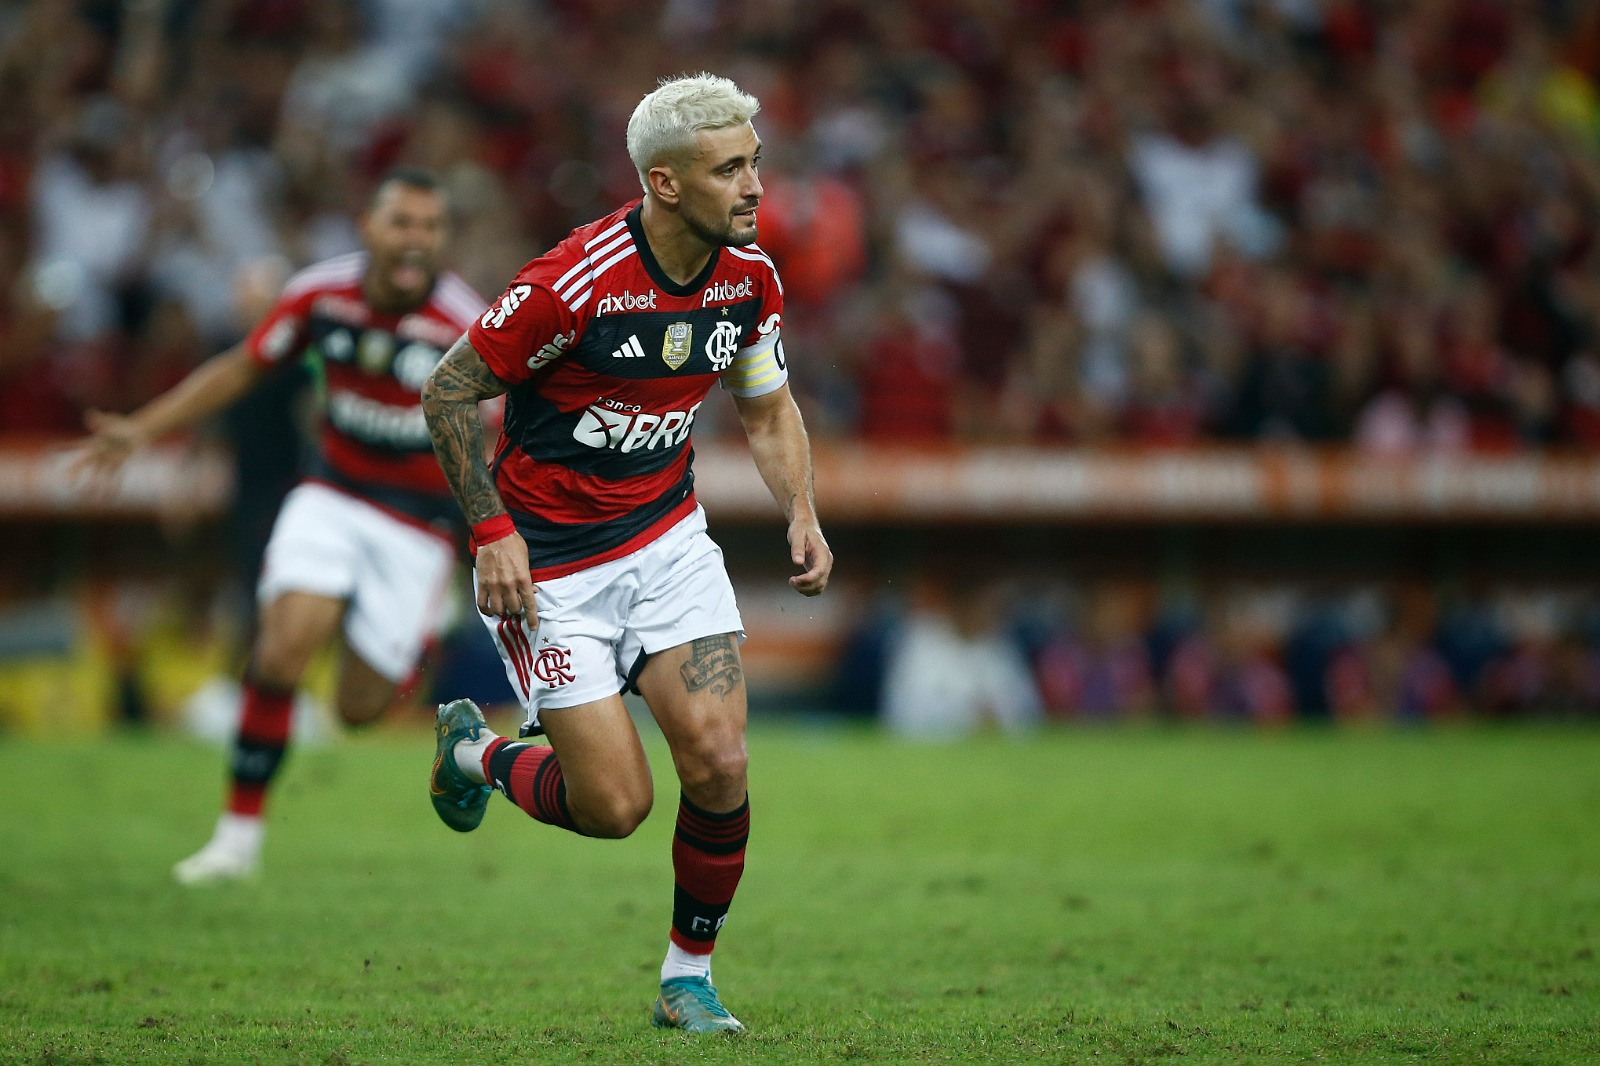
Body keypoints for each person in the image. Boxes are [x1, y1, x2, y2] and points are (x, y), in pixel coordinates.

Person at [420, 73, 832, 1035]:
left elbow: (766, 406)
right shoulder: (570, 285)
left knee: (722, 763)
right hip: (548, 567)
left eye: (755, 163)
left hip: (664, 541)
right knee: (612, 807)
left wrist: (801, 513)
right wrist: (491, 533)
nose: (754, 186)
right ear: (665, 182)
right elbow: (445, 391)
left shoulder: (749, 279)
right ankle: (475, 751)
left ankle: (687, 977)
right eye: (729, 169)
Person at [76, 168, 486, 884]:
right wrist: (142, 429)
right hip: (331, 492)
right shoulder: (320, 293)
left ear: (443, 238)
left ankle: (428, 620)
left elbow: (501, 432)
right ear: (369, 228)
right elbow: (243, 366)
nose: (414, 239)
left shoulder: (466, 324)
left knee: (358, 712)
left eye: (429, 226)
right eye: (401, 222)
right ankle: (236, 840)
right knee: (281, 649)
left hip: (417, 526)